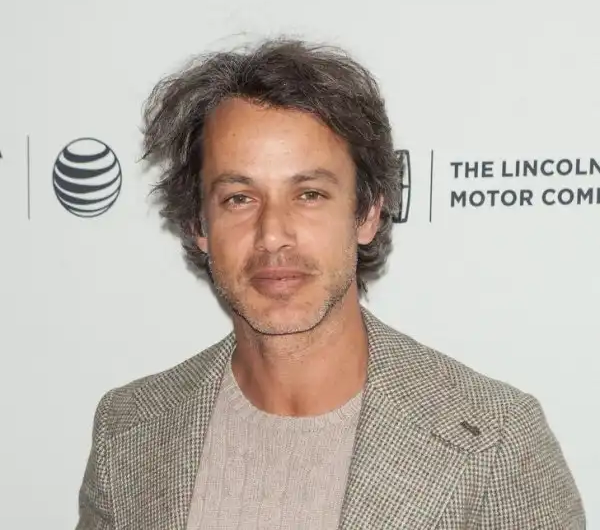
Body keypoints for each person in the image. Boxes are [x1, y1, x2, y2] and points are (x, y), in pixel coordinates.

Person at [76, 39, 585, 529]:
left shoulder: (494, 442)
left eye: (310, 194)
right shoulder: (128, 432)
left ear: (367, 213)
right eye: (239, 198)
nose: (272, 234)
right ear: (199, 226)